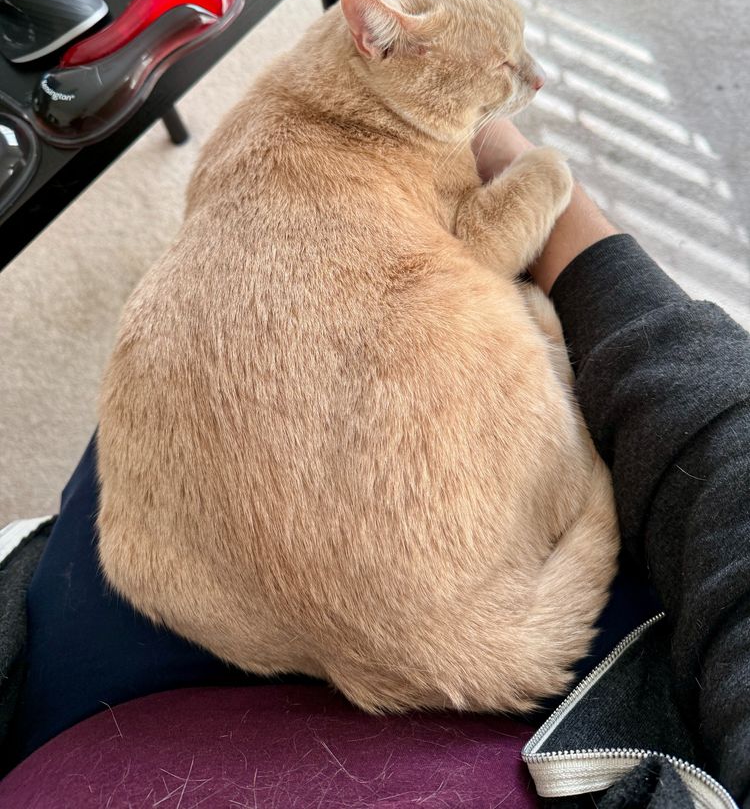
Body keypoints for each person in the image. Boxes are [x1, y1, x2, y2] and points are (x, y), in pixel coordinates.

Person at [0, 119, 747, 809]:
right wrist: (556, 208)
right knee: (201, 377)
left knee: (199, 384)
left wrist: (540, 185)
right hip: (169, 663)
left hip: (394, 676)